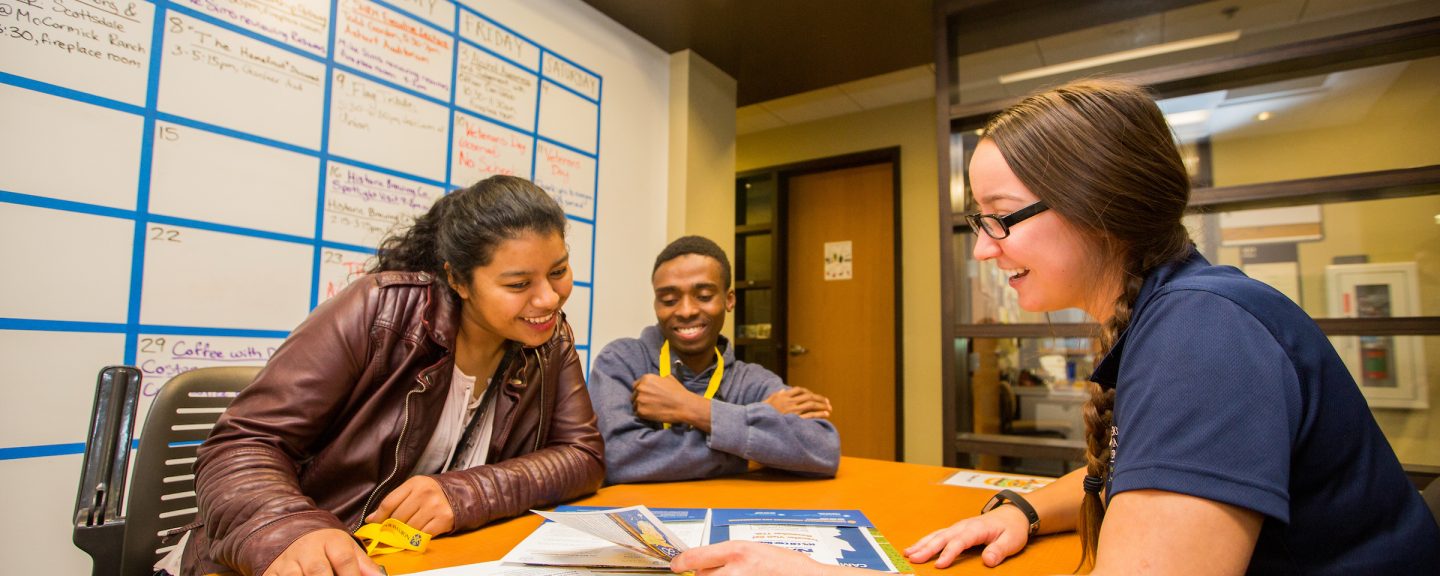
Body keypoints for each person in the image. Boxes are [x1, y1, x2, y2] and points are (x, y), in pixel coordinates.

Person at [670, 79, 1440, 575]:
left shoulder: (1205, 338)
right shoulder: (1175, 312)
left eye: (1000, 220)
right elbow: (1149, 476)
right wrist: (1028, 507)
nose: (982, 247)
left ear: (1098, 207)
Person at [179, 175, 605, 576]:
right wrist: (294, 531)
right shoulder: (380, 311)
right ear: (458, 279)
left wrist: (468, 493)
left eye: (558, 272)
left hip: (425, 557)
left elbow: (582, 455)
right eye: (518, 284)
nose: (549, 298)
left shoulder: (550, 340)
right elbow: (243, 444)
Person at [588, 235, 840, 484]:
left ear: (729, 300)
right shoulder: (621, 360)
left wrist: (691, 407)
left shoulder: (750, 380)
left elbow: (823, 449)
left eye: (704, 296)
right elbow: (617, 458)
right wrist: (755, 450)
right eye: (669, 300)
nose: (686, 310)